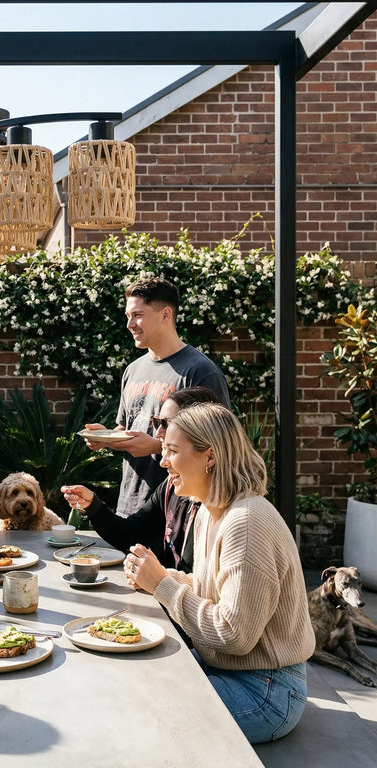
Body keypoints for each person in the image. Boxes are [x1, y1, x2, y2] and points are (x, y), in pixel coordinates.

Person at [123, 403, 315, 743]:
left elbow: (234, 634)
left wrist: (163, 585)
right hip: (228, 669)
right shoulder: (209, 513)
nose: (163, 461)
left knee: (141, 711)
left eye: (172, 451)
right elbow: (213, 590)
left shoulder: (247, 521)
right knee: (130, 678)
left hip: (267, 692)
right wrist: (157, 579)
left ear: (209, 457)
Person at [85, 277, 230, 517]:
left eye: (138, 315)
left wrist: (154, 446)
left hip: (178, 510)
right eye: (127, 316)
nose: (130, 324)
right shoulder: (133, 369)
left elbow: (218, 444)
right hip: (129, 508)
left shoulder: (200, 371)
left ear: (165, 314)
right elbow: (126, 427)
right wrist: (106, 437)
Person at [62, 386, 221, 572]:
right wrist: (92, 505)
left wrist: (158, 581)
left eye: (167, 424)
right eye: (157, 422)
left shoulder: (224, 510)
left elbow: (200, 585)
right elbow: (131, 534)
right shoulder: (172, 487)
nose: (158, 433)